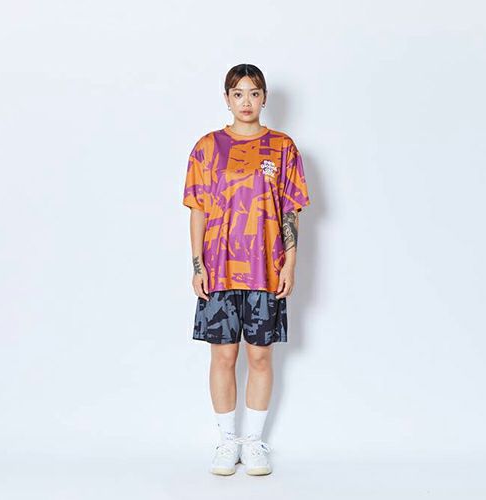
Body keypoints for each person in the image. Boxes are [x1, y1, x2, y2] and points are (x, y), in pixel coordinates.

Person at [182, 63, 311, 476]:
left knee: (259, 355)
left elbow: (290, 210)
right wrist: (197, 265)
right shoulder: (207, 148)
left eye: (254, 93)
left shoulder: (283, 148)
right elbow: (198, 209)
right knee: (223, 356)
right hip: (219, 269)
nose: (246, 102)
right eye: (238, 93)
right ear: (227, 98)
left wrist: (290, 262)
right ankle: (227, 441)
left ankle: (253, 442)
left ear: (264, 97)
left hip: (265, 269)